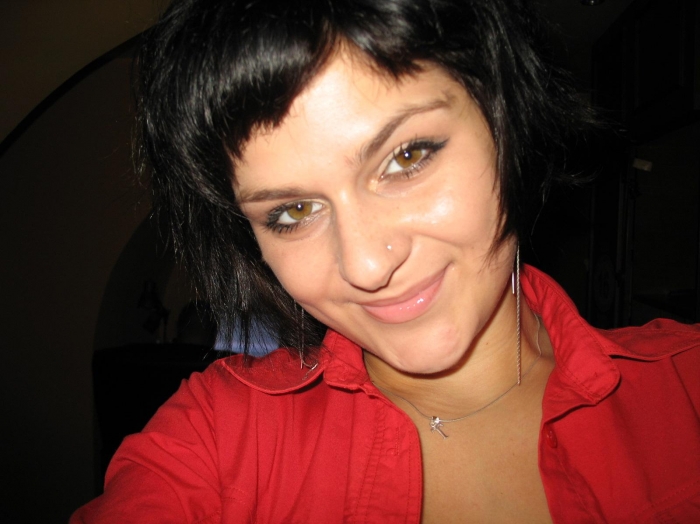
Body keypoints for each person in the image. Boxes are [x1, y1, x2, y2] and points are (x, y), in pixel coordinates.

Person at [72, 0, 700, 522]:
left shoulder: (686, 389)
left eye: (406, 157)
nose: (367, 266)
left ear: (507, 118)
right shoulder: (216, 441)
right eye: (293, 210)